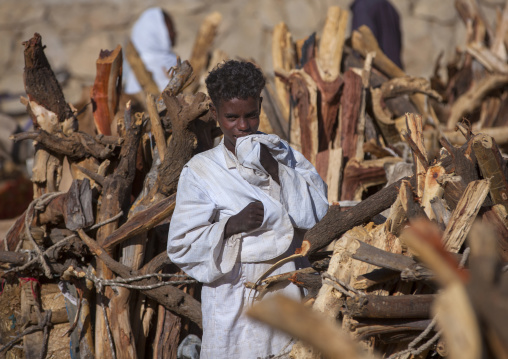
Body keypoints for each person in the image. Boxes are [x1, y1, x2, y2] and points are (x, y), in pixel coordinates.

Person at [167, 60, 329, 358]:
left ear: (260, 107)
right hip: (232, 291)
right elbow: (181, 245)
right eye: (231, 117)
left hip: (285, 282)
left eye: (251, 115)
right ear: (215, 114)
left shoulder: (281, 153)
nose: (243, 126)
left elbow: (317, 212)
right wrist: (231, 226)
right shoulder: (202, 170)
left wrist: (276, 169)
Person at [123, 7, 178, 94]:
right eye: (170, 29)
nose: (174, 33)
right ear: (156, 33)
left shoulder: (173, 60)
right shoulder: (147, 64)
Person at [350, 0, 404, 69]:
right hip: (395, 71)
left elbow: (363, 46)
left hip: (376, 72)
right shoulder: (390, 7)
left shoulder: (363, 6)